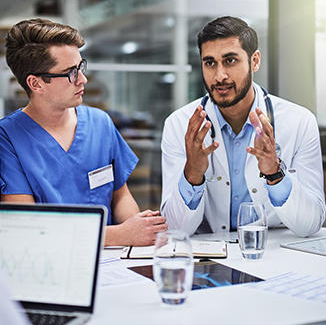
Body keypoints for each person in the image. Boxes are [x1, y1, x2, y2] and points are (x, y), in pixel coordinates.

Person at [0, 18, 167, 246]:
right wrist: (120, 235)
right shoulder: (8, 138)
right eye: (70, 73)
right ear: (36, 84)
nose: (83, 79)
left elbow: (120, 195)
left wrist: (137, 229)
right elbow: (26, 228)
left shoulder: (100, 123)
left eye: (81, 67)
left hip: (112, 262)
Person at [161, 16, 325, 237]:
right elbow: (174, 229)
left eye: (230, 60)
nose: (219, 76)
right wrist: (192, 173)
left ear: (254, 61)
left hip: (276, 254)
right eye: (210, 63)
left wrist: (274, 174)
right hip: (210, 255)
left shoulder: (299, 122)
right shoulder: (178, 125)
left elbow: (310, 225)